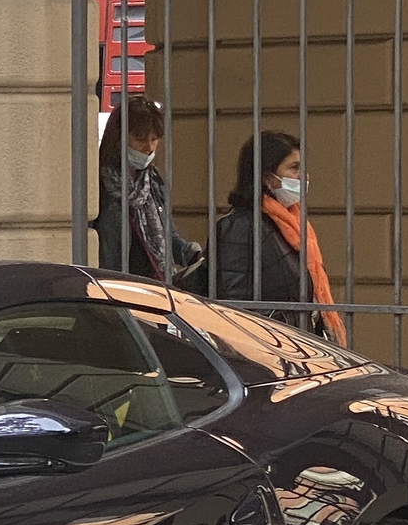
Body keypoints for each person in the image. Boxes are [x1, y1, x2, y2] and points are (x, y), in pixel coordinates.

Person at [213, 128, 346, 342]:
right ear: (267, 177)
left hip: (297, 346)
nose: (304, 176)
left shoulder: (292, 224)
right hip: (268, 350)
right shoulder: (241, 228)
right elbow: (234, 305)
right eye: (294, 168)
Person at [90, 94, 201, 286]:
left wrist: (193, 255)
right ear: (119, 139)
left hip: (154, 287)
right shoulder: (99, 184)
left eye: (154, 139)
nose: (149, 147)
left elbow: (169, 235)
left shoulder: (153, 181)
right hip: (117, 286)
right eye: (140, 139)